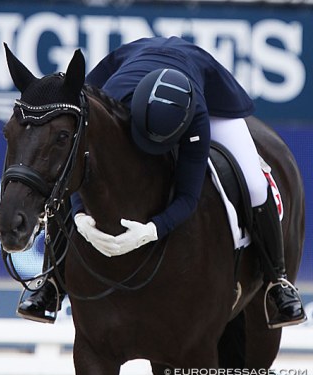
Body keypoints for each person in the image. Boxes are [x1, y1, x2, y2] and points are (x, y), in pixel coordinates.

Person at [17, 36, 306, 329]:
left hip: (202, 85)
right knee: (69, 161)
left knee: (256, 185)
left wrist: (152, 230)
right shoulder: (113, 103)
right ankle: (51, 281)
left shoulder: (198, 117)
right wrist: (79, 214)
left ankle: (277, 281)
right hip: (130, 72)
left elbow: (189, 197)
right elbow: (82, 170)